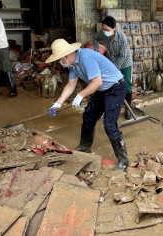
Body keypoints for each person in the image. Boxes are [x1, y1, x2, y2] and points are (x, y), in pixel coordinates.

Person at [46, 39, 129, 170]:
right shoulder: (73, 64)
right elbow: (71, 84)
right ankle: (85, 147)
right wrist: (58, 103)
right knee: (88, 116)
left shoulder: (86, 57)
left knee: (109, 124)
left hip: (115, 88)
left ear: (65, 56)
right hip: (102, 89)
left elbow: (97, 82)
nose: (60, 63)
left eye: (60, 60)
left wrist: (80, 95)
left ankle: (123, 159)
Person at [93, 16, 133, 119]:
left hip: (124, 63)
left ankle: (128, 109)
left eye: (108, 30)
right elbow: (95, 38)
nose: (105, 32)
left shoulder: (122, 38)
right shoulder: (103, 33)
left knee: (127, 85)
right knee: (110, 83)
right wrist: (97, 53)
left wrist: (116, 70)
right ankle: (112, 106)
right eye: (104, 29)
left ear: (114, 28)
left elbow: (123, 56)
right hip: (112, 60)